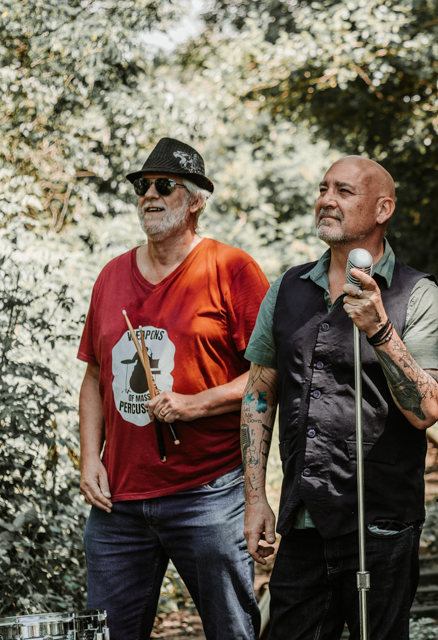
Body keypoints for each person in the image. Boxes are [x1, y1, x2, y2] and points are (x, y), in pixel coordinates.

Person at [241, 156, 438, 639]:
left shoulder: (418, 294)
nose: (326, 200)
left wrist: (380, 330)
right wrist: (256, 499)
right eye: (323, 188)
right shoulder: (288, 288)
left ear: (383, 209)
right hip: (303, 518)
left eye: (344, 191)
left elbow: (427, 411)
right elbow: (258, 394)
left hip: (382, 524)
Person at [77, 137, 269, 640]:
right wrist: (88, 457)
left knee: (231, 631)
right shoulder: (111, 276)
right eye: (143, 186)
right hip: (119, 502)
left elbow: (271, 374)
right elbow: (96, 375)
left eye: (166, 185)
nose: (150, 195)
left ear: (196, 200)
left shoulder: (232, 268)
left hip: (207, 492)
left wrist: (195, 404)